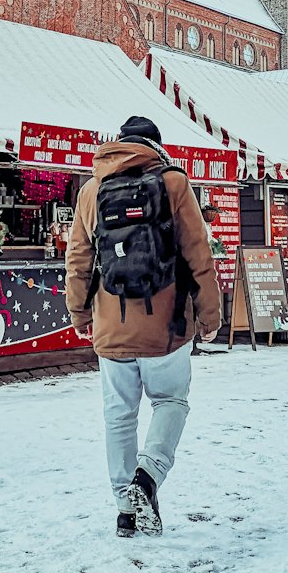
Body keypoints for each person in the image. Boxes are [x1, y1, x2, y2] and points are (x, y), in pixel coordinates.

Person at [65, 116, 221, 538]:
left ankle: (124, 511)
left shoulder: (91, 190)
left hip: (110, 326)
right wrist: (210, 315)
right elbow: (198, 255)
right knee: (170, 401)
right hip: (166, 327)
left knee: (118, 415)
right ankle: (147, 477)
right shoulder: (173, 183)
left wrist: (79, 313)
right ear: (156, 146)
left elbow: (78, 260)